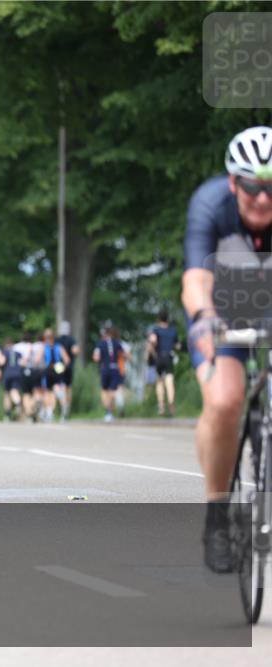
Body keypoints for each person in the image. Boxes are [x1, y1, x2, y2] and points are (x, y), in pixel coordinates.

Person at [182, 126, 272, 572]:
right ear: (234, 183)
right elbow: (196, 280)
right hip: (222, 309)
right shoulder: (210, 204)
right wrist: (204, 317)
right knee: (224, 402)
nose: (263, 199)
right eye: (253, 187)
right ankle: (217, 515)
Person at [148, 308, 180, 417]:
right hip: (169, 357)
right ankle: (171, 402)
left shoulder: (156, 330)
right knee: (169, 380)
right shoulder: (173, 330)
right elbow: (177, 345)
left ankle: (161, 406)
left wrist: (152, 351)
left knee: (159, 381)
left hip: (159, 357)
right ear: (167, 318)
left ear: (158, 318)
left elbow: (153, 340)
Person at [92, 323, 125, 423]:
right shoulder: (117, 343)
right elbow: (123, 355)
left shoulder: (100, 344)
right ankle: (115, 403)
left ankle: (108, 412)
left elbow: (96, 357)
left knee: (104, 391)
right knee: (112, 390)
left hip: (105, 368)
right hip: (115, 368)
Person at [40, 328, 71, 423]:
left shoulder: (44, 347)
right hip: (58, 370)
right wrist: (63, 367)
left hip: (48, 370)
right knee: (58, 391)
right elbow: (67, 360)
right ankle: (63, 409)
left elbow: (37, 360)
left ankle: (49, 412)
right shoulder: (59, 347)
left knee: (48, 392)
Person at [55, 321, 80, 420]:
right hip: (69, 366)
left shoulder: (57, 340)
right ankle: (66, 407)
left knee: (58, 386)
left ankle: (63, 405)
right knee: (68, 388)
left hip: (58, 366)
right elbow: (75, 351)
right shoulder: (72, 340)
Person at [0, 336, 24, 421]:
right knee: (14, 391)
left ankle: (7, 414)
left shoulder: (4, 352)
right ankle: (17, 402)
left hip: (8, 373)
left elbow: (2, 362)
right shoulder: (18, 353)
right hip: (17, 373)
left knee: (7, 393)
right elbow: (22, 363)